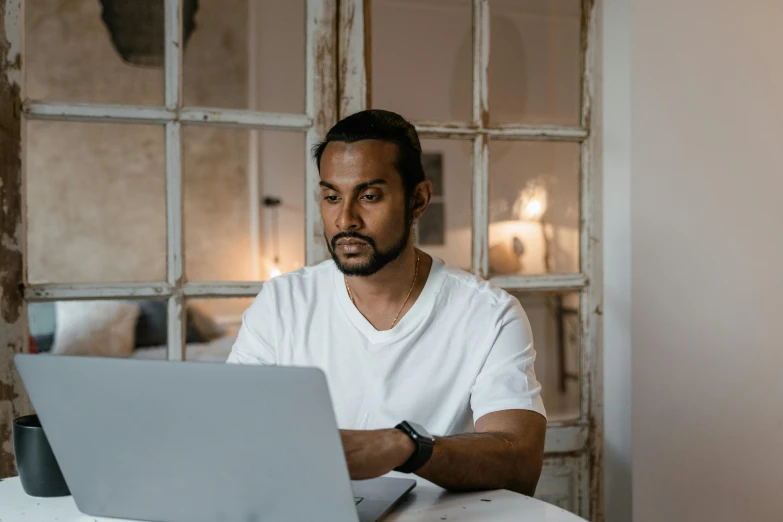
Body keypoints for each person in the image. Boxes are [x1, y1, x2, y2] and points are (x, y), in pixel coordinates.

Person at [227, 109, 547, 496]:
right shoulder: (282, 303)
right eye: (331, 197)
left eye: (369, 196)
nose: (346, 219)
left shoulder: (489, 314)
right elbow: (234, 432)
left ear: (417, 200)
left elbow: (520, 464)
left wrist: (405, 447)